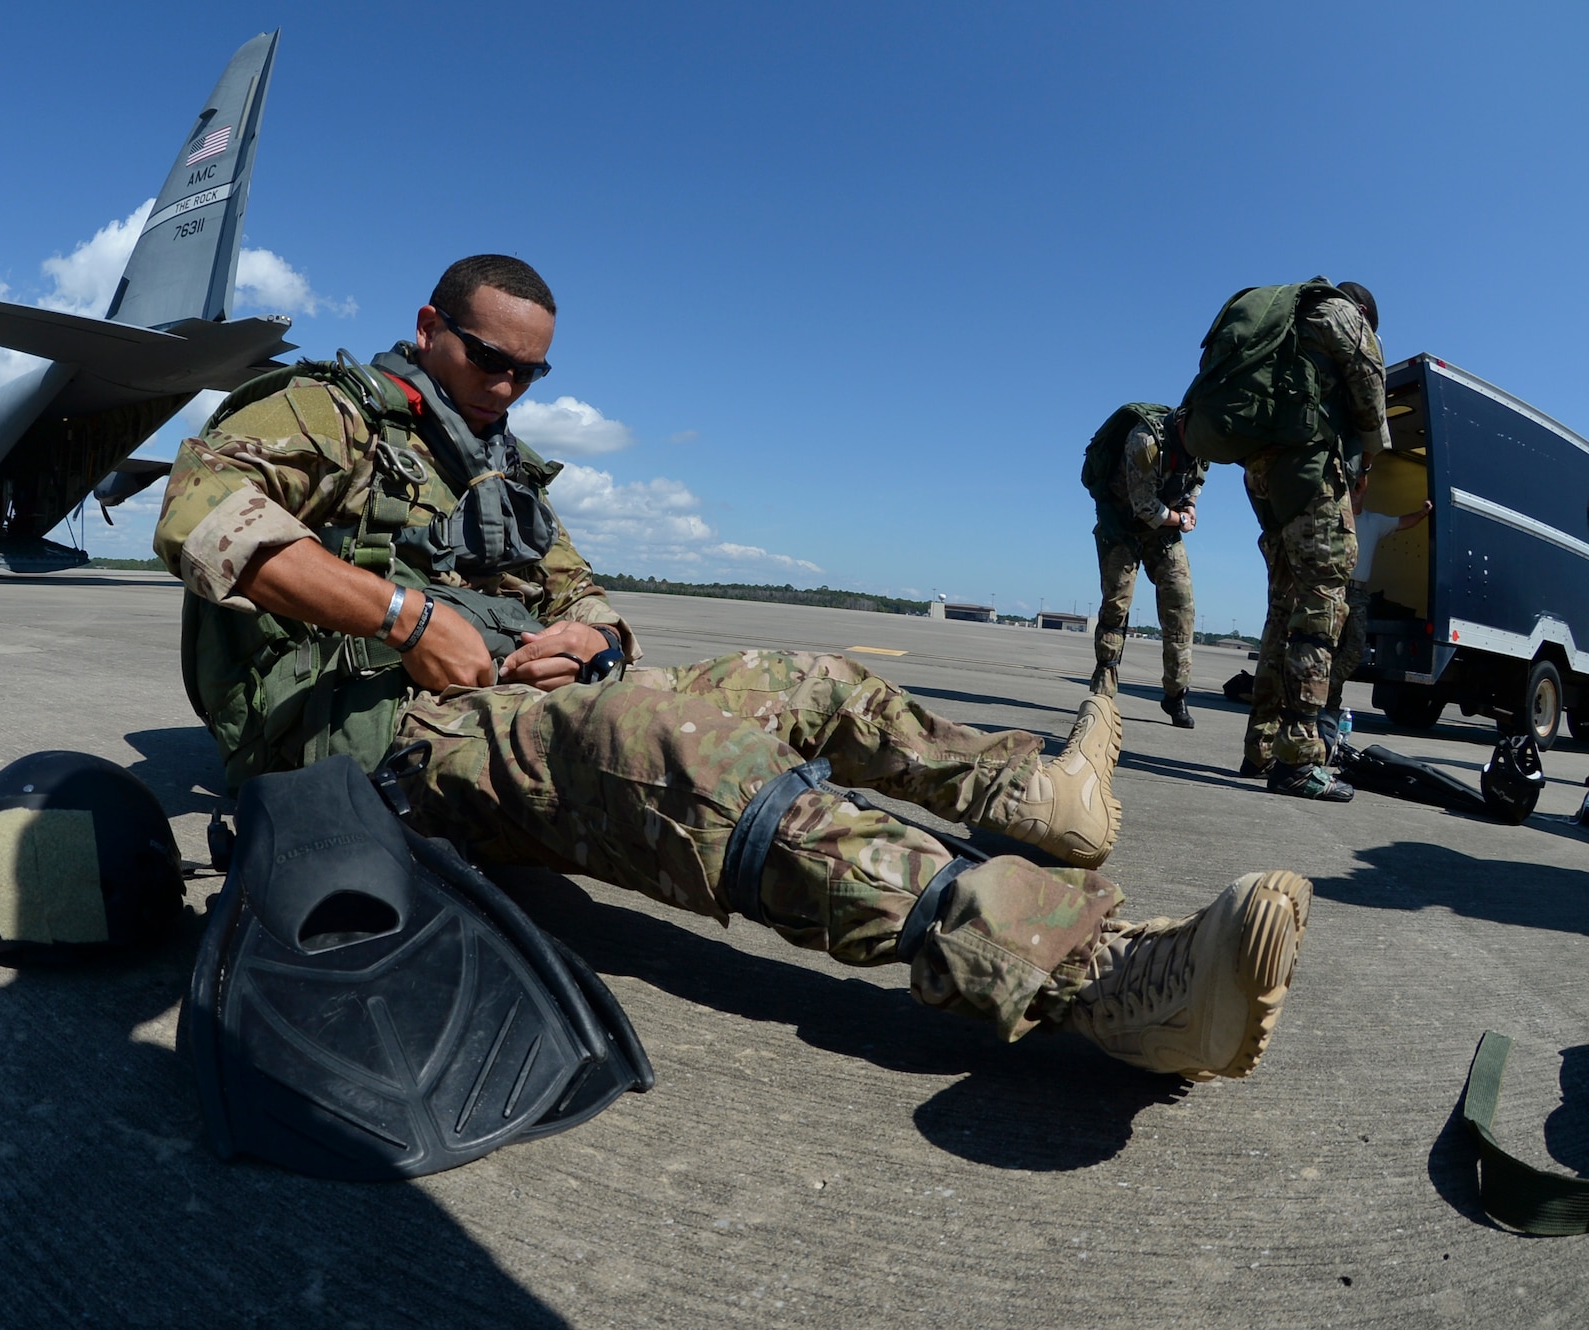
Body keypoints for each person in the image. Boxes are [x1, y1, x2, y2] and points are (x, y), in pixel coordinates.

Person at [153, 254, 1311, 1081]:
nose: (506, 389)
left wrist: (592, 641)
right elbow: (200, 513)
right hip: (384, 742)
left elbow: (588, 595)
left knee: (807, 675)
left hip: (524, 705)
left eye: (529, 375)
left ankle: (1031, 795)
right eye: (490, 361)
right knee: (661, 745)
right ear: (428, 325)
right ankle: (1093, 973)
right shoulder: (329, 414)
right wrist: (405, 616)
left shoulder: (500, 473)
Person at [1224, 280, 1390, 799]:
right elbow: (1370, 399)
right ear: (1363, 310)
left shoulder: (1285, 317)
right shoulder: (1345, 315)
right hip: (1310, 469)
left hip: (1261, 474)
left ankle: (1261, 748)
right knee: (1322, 607)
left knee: (1283, 605)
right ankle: (1297, 760)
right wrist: (1368, 461)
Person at [1084, 403, 1207, 727]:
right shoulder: (1146, 441)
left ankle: (1176, 695)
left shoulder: (1205, 440)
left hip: (1163, 531)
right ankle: (1103, 690)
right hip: (1123, 526)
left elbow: (1196, 480)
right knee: (1116, 606)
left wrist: (1190, 504)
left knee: (1181, 605)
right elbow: (1145, 508)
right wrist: (1181, 519)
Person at [1326, 481, 1432, 733]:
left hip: (1359, 594)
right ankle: (1330, 706)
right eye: (1351, 490)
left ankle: (1325, 687)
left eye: (1358, 490)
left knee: (1353, 650)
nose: (1355, 494)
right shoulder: (1334, 519)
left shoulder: (1374, 521)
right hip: (1335, 590)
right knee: (1331, 649)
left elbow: (1402, 522)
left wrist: (1423, 513)